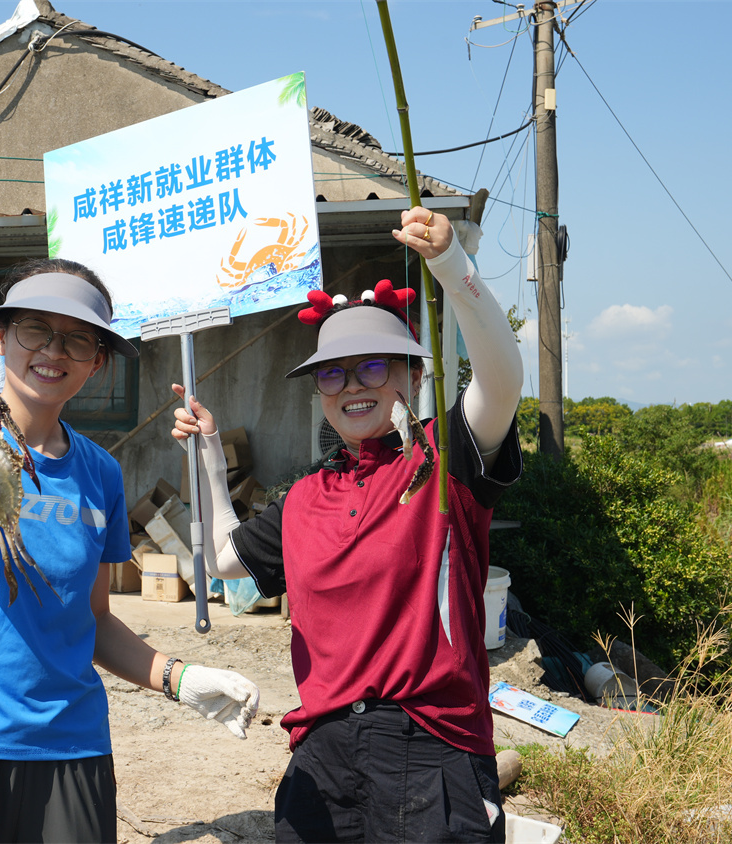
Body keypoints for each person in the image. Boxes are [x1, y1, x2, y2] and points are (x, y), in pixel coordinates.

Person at [0, 259, 262, 844]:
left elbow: (94, 619)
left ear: (97, 361)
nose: (52, 351)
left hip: (72, 746)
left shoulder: (100, 474)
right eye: (34, 329)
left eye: (77, 339)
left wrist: (178, 679)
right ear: (2, 337)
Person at [172, 211, 524, 843]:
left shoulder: (445, 465)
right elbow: (226, 559)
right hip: (322, 759)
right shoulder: (305, 498)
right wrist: (206, 451)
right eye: (333, 372)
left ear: (414, 376)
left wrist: (452, 267)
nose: (351, 386)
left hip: (434, 751)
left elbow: (502, 381)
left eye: (374, 367)